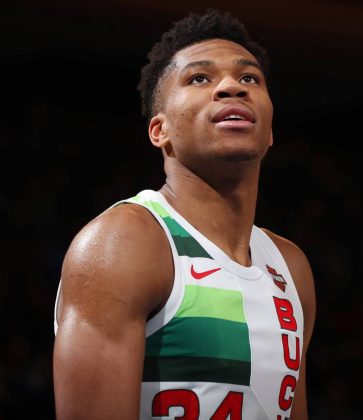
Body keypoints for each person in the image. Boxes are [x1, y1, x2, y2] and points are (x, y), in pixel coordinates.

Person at [53, 9, 316, 420]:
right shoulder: (124, 242)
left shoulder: (291, 267)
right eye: (199, 78)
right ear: (160, 131)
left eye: (249, 78)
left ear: (269, 132)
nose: (232, 86)